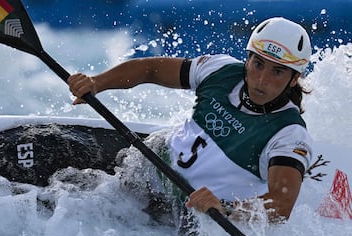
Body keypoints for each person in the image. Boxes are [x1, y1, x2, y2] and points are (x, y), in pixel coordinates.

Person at [67, 17, 313, 223]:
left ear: (294, 79)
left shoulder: (288, 133)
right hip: (145, 170)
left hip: (188, 218)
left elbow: (281, 205)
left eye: (277, 71)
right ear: (247, 59)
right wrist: (97, 83)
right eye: (258, 64)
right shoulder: (221, 70)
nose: (261, 80)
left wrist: (226, 209)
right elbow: (150, 69)